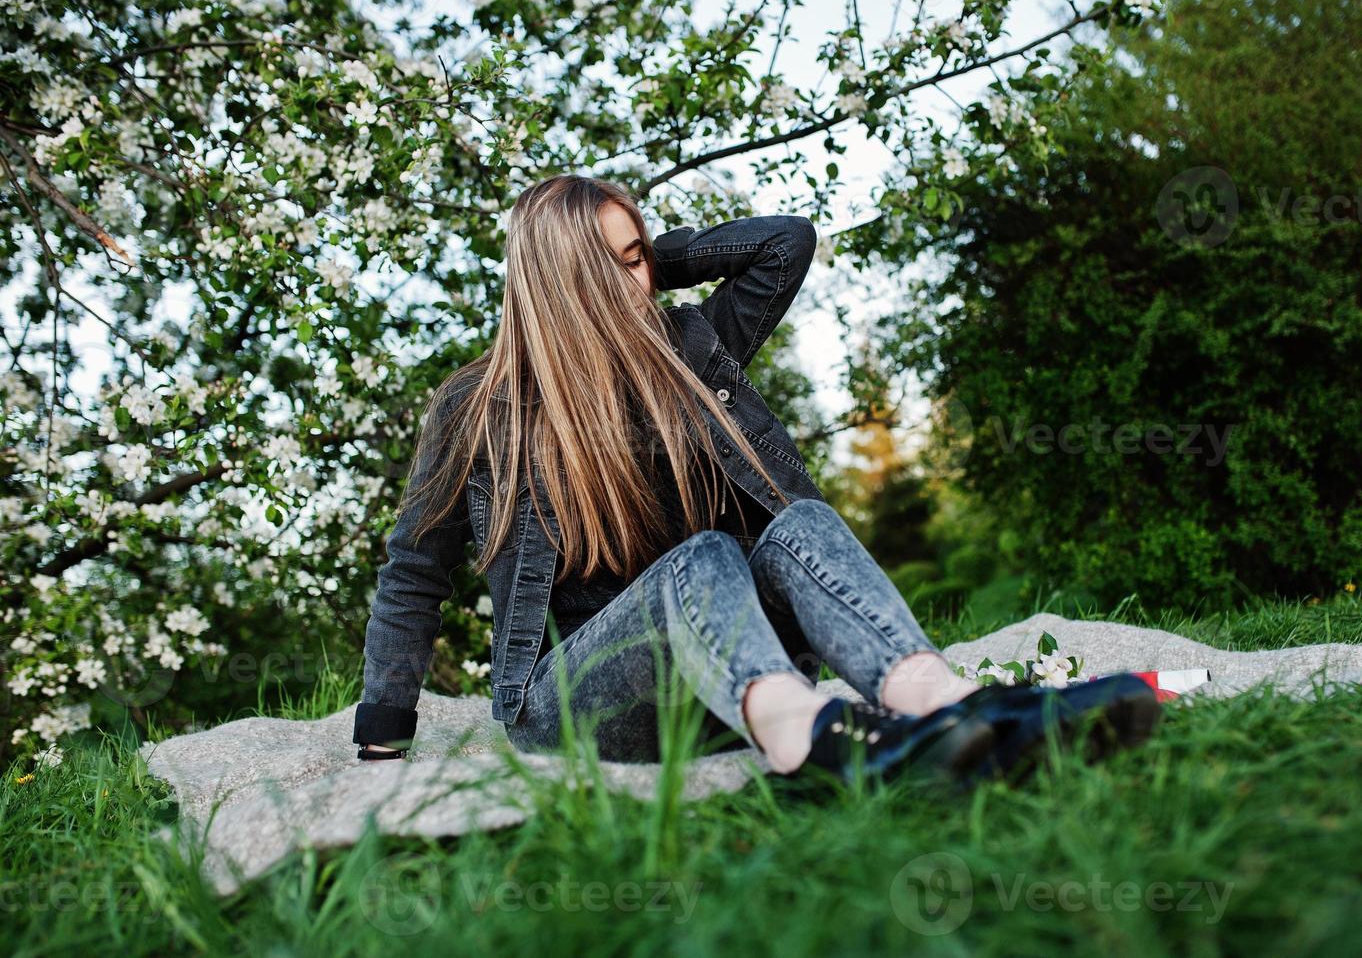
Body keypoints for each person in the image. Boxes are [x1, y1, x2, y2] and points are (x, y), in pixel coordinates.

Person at [352, 173, 1160, 789]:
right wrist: (383, 734)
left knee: (798, 525)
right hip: (580, 706)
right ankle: (810, 738)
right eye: (612, 270)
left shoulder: (690, 349)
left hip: (729, 681)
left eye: (638, 261)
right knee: (702, 557)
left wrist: (640, 264)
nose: (636, 286)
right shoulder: (477, 406)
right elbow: (414, 573)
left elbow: (785, 241)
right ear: (558, 286)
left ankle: (947, 708)